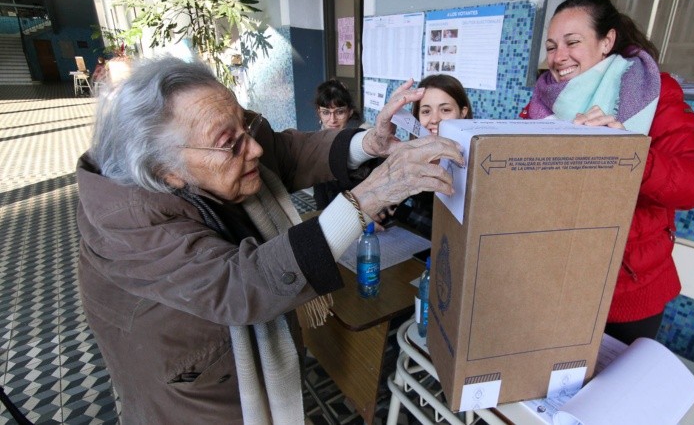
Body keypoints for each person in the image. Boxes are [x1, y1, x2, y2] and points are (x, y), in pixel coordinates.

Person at [75, 56, 463, 424]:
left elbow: (284, 152)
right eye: (231, 143)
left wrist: (369, 144)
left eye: (245, 125)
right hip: (195, 388)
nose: (254, 149)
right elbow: (239, 284)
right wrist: (369, 197)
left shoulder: (214, 150)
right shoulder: (125, 219)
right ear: (166, 172)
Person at [519, 0, 694, 344]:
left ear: (607, 40)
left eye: (572, 42)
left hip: (626, 286)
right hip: (554, 277)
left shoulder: (651, 92)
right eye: (551, 46)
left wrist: (627, 152)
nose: (558, 57)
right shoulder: (542, 101)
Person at [394, 74, 473, 238]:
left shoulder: (476, 164)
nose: (435, 119)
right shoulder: (407, 157)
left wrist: (400, 213)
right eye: (426, 111)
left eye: (445, 110)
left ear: (462, 112)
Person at [312, 79, 368, 209]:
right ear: (319, 113)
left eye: (339, 112)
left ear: (350, 112)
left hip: (361, 209)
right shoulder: (316, 142)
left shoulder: (363, 140)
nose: (332, 120)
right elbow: (319, 191)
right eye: (326, 112)